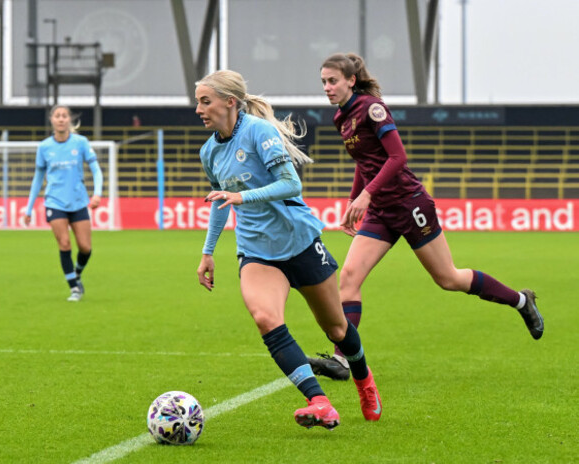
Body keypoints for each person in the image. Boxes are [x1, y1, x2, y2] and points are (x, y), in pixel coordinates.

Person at [308, 52, 545, 381]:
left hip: (410, 204)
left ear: (350, 80)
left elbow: (397, 156)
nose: (327, 87)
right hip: (381, 211)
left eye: (332, 81)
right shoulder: (340, 118)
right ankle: (342, 360)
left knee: (448, 279)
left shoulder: (371, 108)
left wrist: (366, 194)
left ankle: (521, 301)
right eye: (323, 82)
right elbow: (366, 162)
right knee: (348, 279)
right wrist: (353, 199)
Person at [194, 69, 383, 428]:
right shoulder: (209, 152)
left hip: (299, 242)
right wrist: (208, 252)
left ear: (229, 102)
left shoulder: (259, 132)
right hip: (256, 251)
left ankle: (364, 381)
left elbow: (290, 183)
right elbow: (220, 202)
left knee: (337, 329)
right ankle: (319, 402)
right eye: (198, 102)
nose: (199, 109)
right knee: (266, 318)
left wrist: (241, 195)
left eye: (206, 101)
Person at [23, 105, 103, 302]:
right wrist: (29, 207)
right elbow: (37, 178)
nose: (60, 119)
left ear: (69, 120)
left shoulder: (81, 143)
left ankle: (76, 273)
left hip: (78, 201)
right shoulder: (44, 147)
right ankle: (74, 288)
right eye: (57, 116)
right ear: (52, 120)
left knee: (85, 248)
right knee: (64, 243)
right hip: (54, 202)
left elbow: (96, 170)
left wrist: (97, 194)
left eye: (64, 116)